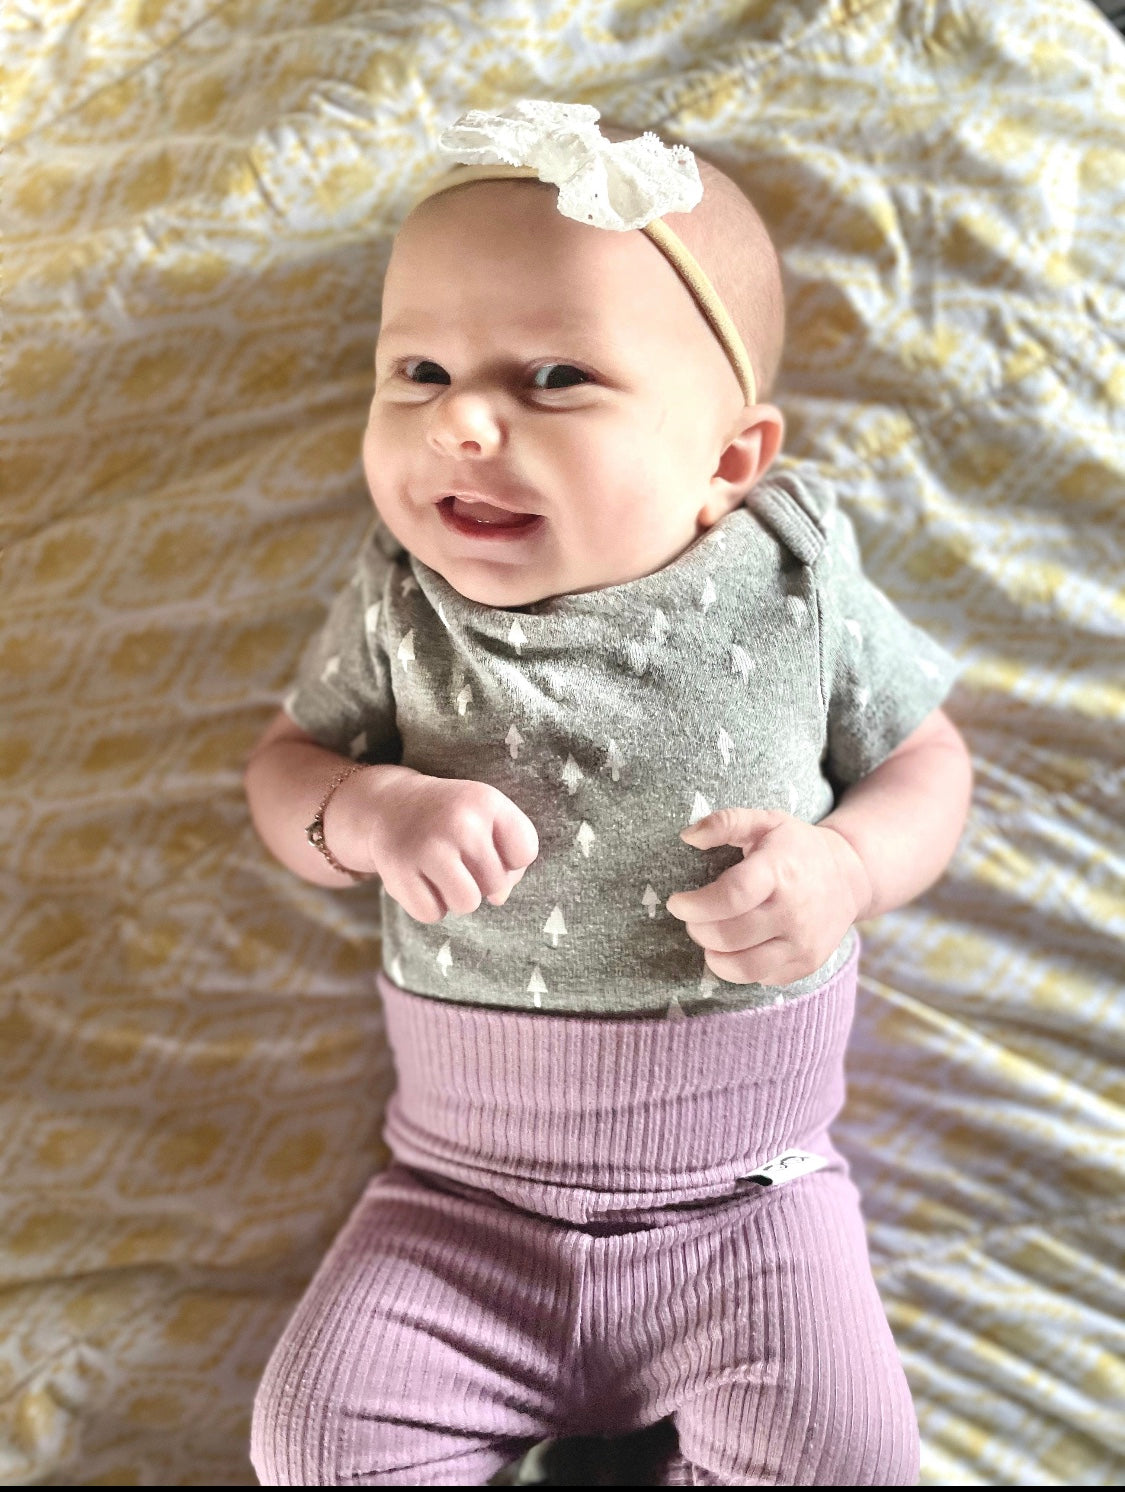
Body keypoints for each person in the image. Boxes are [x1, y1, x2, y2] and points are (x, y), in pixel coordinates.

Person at [245, 100, 973, 1486]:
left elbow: (927, 762)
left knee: (846, 1464)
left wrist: (845, 871)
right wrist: (364, 812)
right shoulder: (404, 602)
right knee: (314, 1444)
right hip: (458, 1210)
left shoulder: (791, 572)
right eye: (417, 370)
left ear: (729, 462)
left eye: (555, 376)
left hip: (750, 1213)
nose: (461, 419)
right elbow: (283, 768)